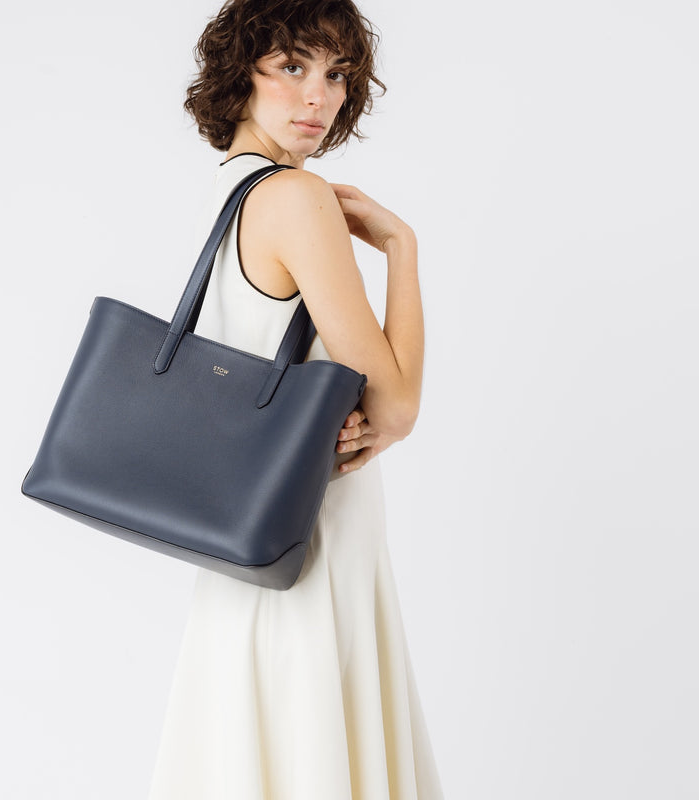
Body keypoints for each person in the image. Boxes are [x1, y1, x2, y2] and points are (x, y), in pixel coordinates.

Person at [146, 1, 445, 798]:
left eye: (338, 74)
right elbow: (395, 407)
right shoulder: (294, 199)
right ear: (240, 74)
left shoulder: (229, 191)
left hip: (243, 545)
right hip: (309, 546)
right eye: (292, 66)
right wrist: (402, 252)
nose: (320, 97)